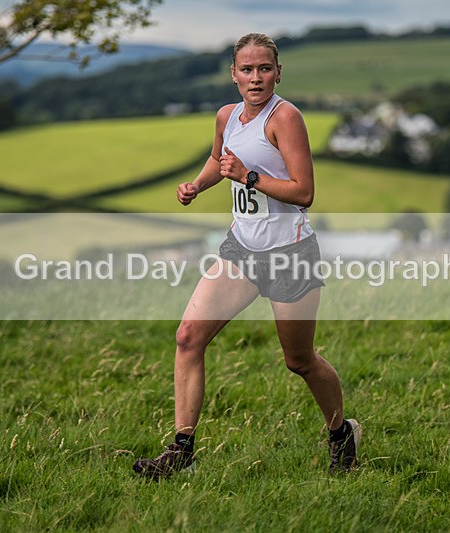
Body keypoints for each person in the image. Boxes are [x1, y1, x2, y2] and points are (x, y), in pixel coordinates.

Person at [133, 33, 361, 479]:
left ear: (278, 72)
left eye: (264, 69)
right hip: (242, 249)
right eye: (247, 69)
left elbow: (304, 192)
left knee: (299, 361)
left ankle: (341, 434)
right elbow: (219, 159)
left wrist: (249, 177)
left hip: (289, 253)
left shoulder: (286, 117)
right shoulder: (227, 115)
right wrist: (198, 185)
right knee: (187, 338)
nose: (256, 78)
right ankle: (182, 450)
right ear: (233, 74)